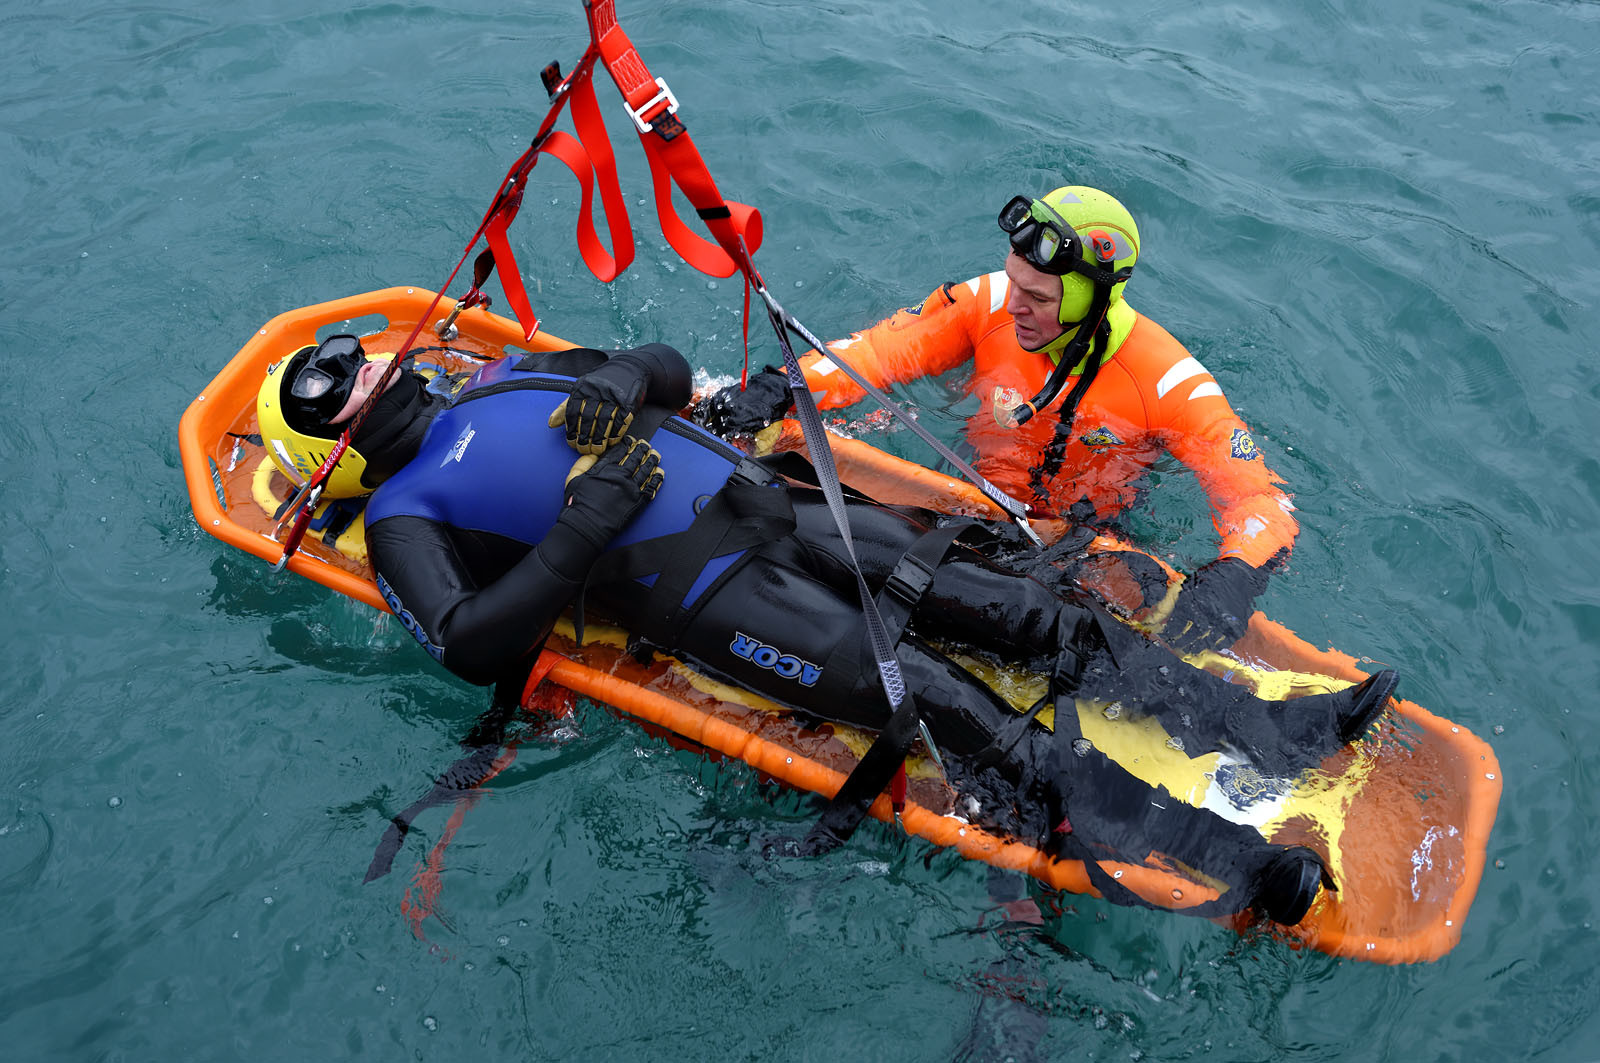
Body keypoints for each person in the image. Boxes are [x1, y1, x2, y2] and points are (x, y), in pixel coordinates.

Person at [256, 333, 1399, 925]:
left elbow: (660, 370)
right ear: (330, 451)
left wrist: (614, 372)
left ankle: (1269, 732)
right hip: (708, 596)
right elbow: (465, 643)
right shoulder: (409, 512)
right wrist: (574, 537)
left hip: (781, 508)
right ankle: (1239, 863)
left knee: (1036, 616)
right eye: (329, 397)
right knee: (947, 705)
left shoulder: (504, 377)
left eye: (351, 361)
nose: (359, 379)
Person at [699, 186, 1297, 652]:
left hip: (1082, 544)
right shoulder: (987, 302)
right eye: (1014, 283)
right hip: (969, 506)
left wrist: (1233, 577)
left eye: (1036, 298)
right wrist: (784, 387)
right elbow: (875, 355)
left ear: (1097, 295)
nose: (1014, 306)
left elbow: (1260, 505)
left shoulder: (1168, 383)